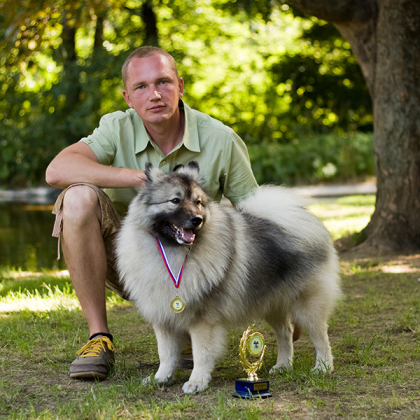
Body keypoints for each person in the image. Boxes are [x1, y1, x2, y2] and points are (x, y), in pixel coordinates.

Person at [45, 46, 259, 380]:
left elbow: (256, 217)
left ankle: (189, 330)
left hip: (201, 269)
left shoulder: (222, 139)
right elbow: (57, 170)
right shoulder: (115, 127)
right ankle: (98, 339)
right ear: (128, 97)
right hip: (135, 264)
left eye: (163, 82)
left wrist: (278, 293)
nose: (155, 94)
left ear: (181, 86)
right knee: (77, 198)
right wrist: (134, 178)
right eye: (142, 87)